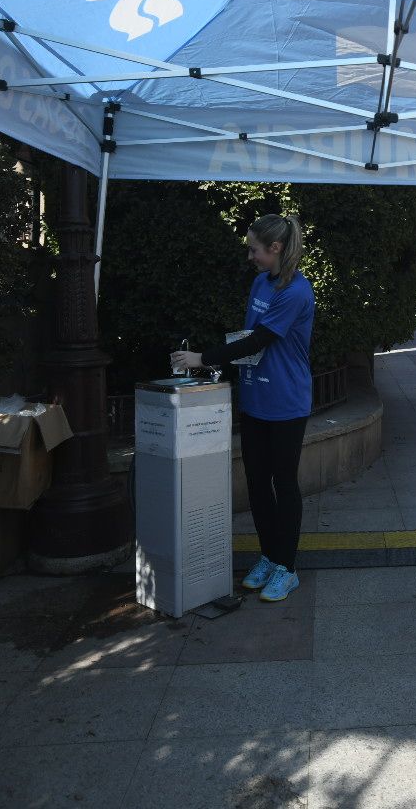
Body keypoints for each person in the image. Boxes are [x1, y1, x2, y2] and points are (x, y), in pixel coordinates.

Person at [170, 214, 316, 604]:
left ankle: (287, 567)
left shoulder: (297, 292)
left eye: (254, 249)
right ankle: (269, 557)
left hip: (286, 402)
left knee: (283, 483)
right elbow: (248, 336)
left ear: (276, 248)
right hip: (256, 399)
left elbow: (260, 340)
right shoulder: (260, 282)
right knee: (255, 482)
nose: (249, 255)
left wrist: (202, 357)